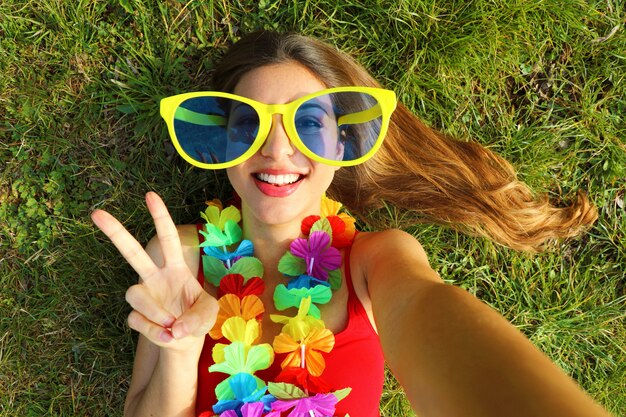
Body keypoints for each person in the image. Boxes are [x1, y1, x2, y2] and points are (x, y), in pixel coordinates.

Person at [91, 30, 612, 417]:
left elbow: (430, 312)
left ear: (342, 147)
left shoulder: (375, 261)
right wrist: (180, 351)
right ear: (227, 147)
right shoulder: (177, 256)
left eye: (308, 122)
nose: (276, 149)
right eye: (249, 123)